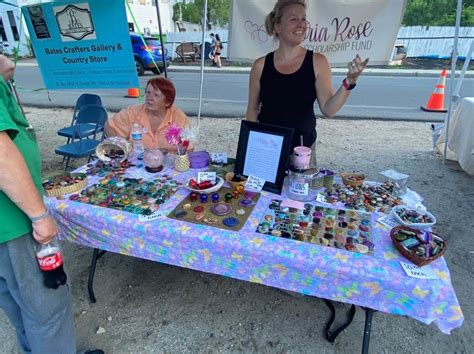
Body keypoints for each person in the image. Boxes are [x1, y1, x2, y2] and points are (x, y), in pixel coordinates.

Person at [0, 56, 102, 353]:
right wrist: (40, 216)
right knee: (47, 310)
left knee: (20, 307)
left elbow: (6, 66)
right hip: (14, 224)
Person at [246, 0, 368, 163]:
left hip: (302, 151)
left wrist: (349, 82)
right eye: (293, 19)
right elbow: (252, 108)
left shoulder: (318, 62)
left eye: (304, 19)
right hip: (268, 148)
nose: (301, 25)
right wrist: (250, 143)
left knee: (302, 189)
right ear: (277, 27)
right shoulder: (260, 65)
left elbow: (329, 109)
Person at [105, 77, 191, 152]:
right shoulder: (133, 112)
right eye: (148, 93)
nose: (150, 98)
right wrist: (123, 146)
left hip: (169, 165)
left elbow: (188, 147)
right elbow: (109, 127)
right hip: (136, 163)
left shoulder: (178, 118)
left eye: (156, 95)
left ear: (167, 102)